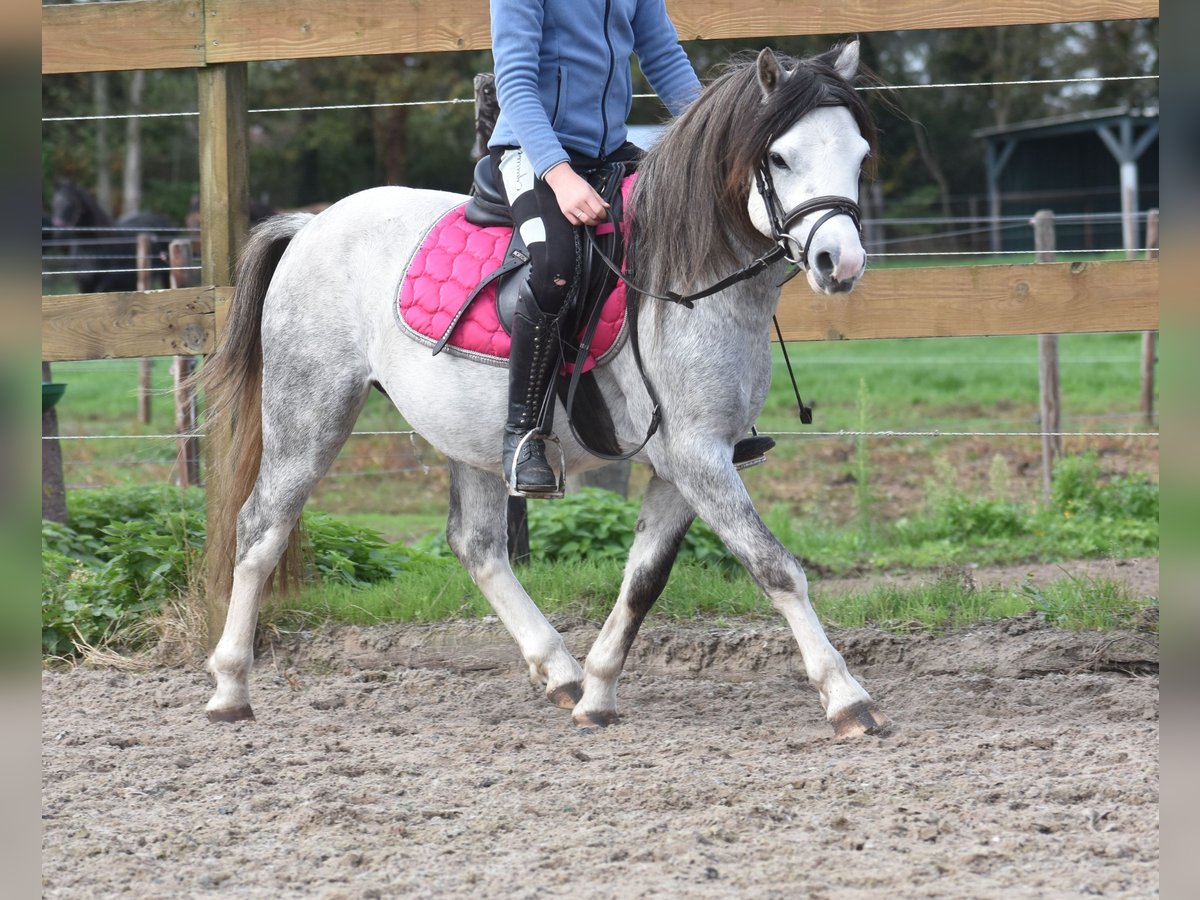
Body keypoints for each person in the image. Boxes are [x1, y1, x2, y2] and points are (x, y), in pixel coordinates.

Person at [488, 0, 702, 496]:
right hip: (532, 153)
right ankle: (524, 436)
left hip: (609, 153)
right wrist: (559, 174)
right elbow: (514, 82)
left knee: (698, 227)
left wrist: (714, 137)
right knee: (555, 266)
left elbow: (664, 58)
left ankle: (705, 414)